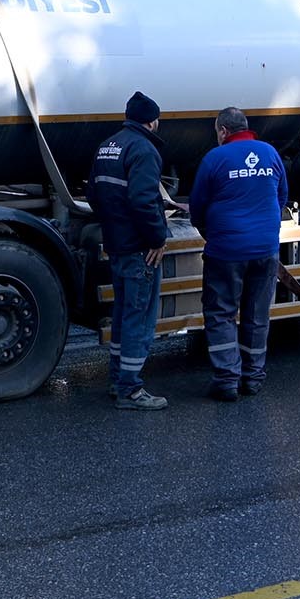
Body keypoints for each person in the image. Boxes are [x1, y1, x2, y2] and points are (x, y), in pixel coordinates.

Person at [189, 107, 289, 401]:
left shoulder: (215, 158)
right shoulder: (270, 153)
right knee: (257, 315)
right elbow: (281, 196)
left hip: (226, 251)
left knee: (221, 313)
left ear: (222, 131)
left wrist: (213, 233)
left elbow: (197, 207)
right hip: (265, 249)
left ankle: (226, 380)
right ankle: (253, 378)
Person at [88, 92, 171, 409]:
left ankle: (117, 380)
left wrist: (115, 227)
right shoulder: (145, 149)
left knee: (123, 315)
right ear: (152, 121)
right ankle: (131, 391)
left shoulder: (109, 145)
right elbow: (141, 200)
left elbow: (95, 194)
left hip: (118, 244)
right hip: (140, 249)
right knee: (139, 317)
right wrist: (157, 238)